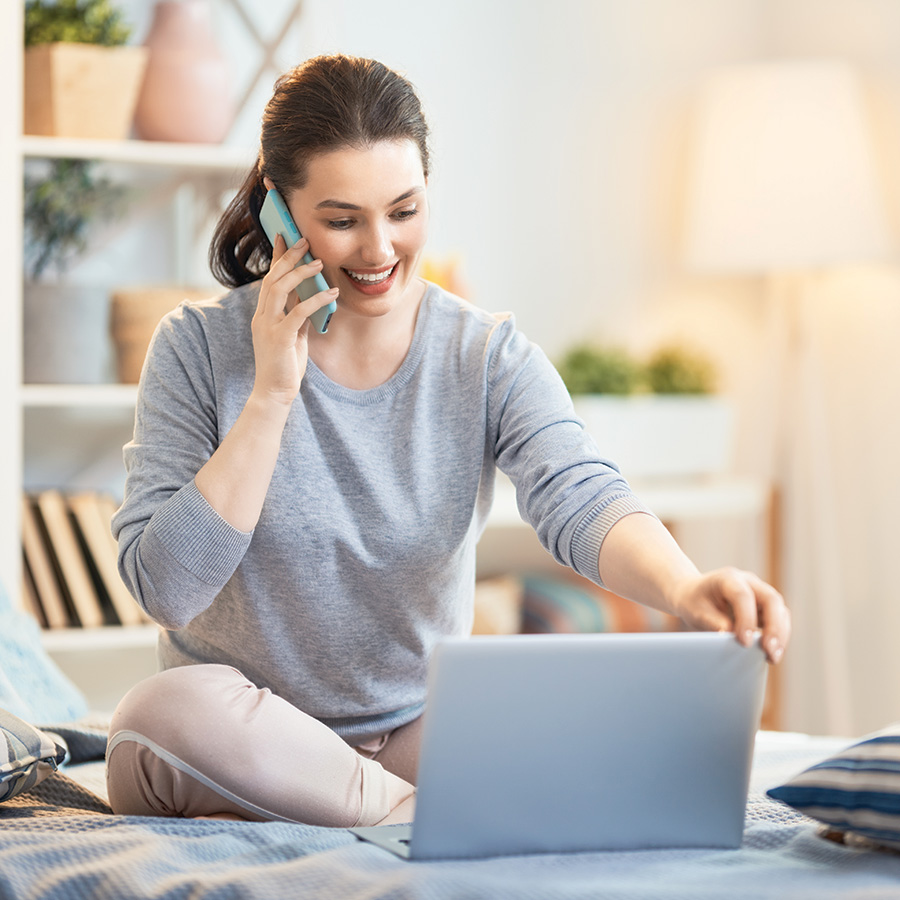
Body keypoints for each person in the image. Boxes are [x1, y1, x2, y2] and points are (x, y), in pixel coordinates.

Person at [105, 54, 791, 827]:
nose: (379, 250)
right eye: (342, 219)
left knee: (553, 691)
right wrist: (271, 394)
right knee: (156, 717)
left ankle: (381, 806)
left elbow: (582, 494)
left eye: (404, 210)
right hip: (249, 741)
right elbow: (166, 589)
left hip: (414, 734)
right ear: (281, 213)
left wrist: (683, 589)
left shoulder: (487, 355)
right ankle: (415, 816)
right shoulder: (195, 349)